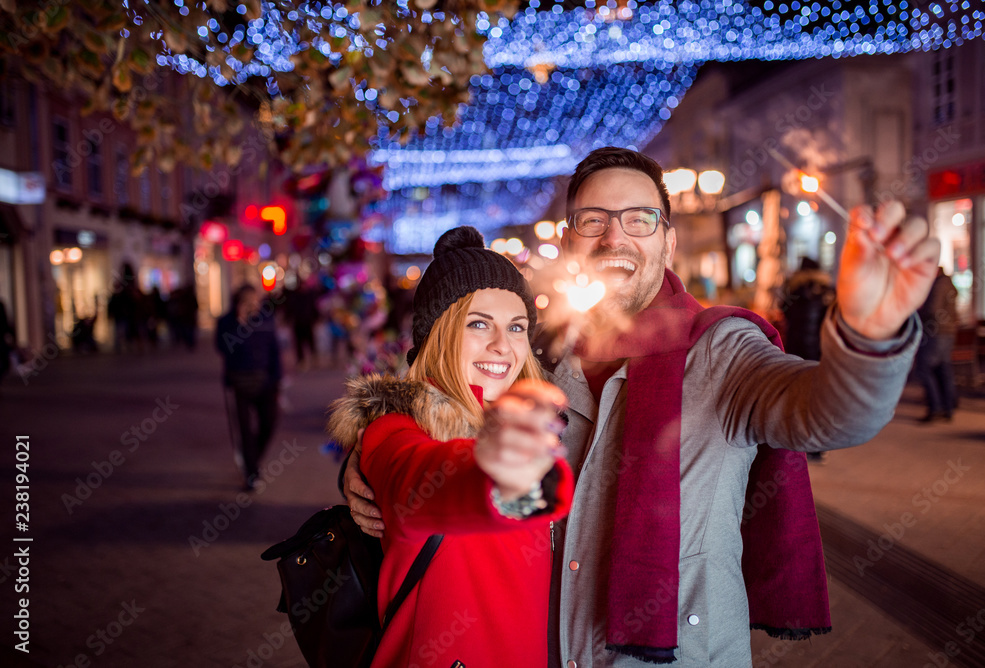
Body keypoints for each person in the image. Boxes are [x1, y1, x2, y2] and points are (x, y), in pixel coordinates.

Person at [344, 147, 939, 667]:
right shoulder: (542, 359)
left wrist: (870, 337)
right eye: (593, 220)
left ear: (668, 240)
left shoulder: (721, 350)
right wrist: (367, 462)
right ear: (569, 239)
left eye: (639, 218)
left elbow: (830, 415)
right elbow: (435, 440)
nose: (614, 236)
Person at [327, 226, 574, 668]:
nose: (503, 345)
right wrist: (497, 473)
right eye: (478, 324)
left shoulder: (542, 421)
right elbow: (421, 474)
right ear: (438, 333)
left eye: (516, 327)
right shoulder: (394, 429)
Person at [215, 285, 282, 490]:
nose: (253, 305)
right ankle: (251, 473)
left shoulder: (266, 319)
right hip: (239, 382)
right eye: (248, 302)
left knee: (269, 423)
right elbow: (224, 348)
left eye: (256, 301)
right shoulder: (226, 322)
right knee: (243, 429)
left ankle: (251, 458)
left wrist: (277, 380)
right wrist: (239, 324)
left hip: (265, 382)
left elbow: (274, 350)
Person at [780, 256, 836, 462]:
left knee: (799, 396)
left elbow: (784, 311)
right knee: (820, 397)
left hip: (797, 349)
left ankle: (802, 442)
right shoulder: (829, 291)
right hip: (821, 350)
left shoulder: (794, 290)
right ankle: (819, 446)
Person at [914, 266, 959, 422]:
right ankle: (949, 406)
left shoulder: (938, 285)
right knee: (943, 369)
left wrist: (916, 311)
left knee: (924, 368)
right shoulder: (949, 283)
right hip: (947, 332)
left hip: (936, 332)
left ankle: (935, 407)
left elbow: (933, 309)